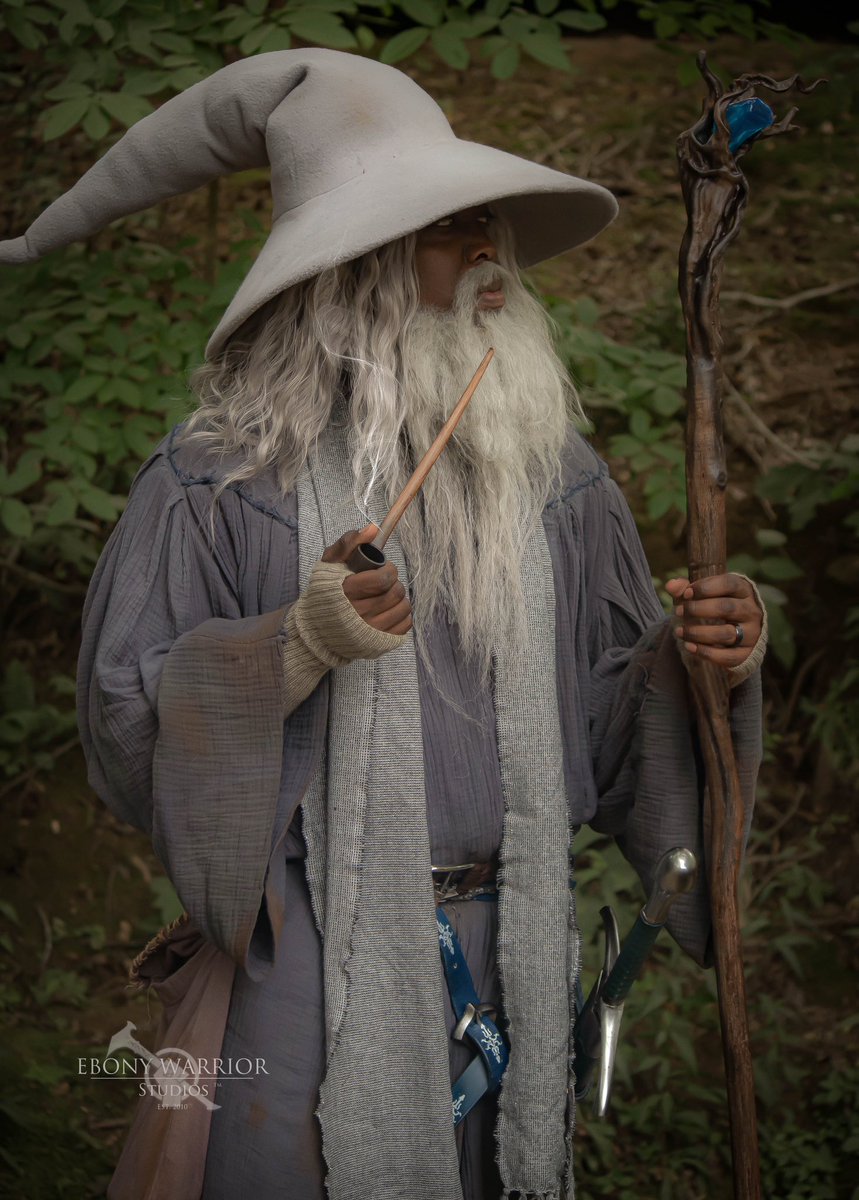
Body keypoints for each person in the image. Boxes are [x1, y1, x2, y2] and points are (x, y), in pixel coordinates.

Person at [1, 50, 766, 1200]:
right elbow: (127, 724)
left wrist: (703, 657)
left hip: (513, 939)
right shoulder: (220, 481)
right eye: (450, 227)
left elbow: (608, 726)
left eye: (489, 224)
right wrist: (294, 646)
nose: (489, 252)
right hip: (310, 953)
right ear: (357, 264)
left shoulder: (551, 478)